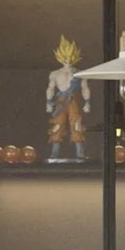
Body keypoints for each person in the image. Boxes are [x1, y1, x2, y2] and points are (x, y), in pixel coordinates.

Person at [46, 36, 90, 164]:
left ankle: (80, 154)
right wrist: (48, 102)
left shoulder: (80, 73)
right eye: (65, 57)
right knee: (58, 125)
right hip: (61, 100)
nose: (68, 60)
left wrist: (87, 102)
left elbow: (85, 88)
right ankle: (54, 154)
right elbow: (50, 88)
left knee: (76, 125)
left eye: (71, 57)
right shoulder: (55, 74)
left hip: (73, 100)